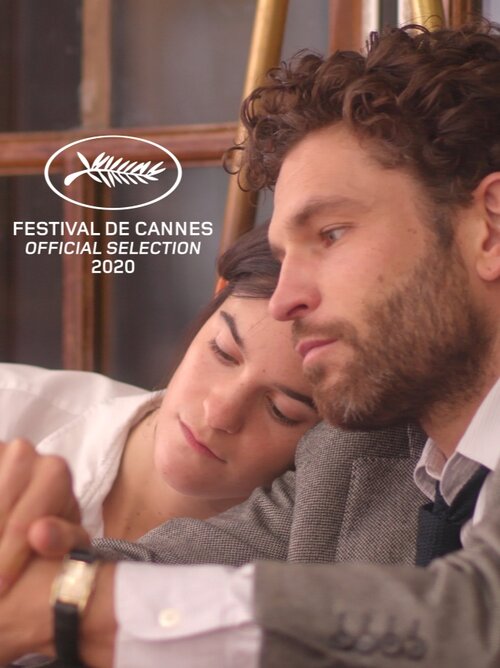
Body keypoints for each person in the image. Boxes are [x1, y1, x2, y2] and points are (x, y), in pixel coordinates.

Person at [1, 20, 500, 668]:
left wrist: (75, 608)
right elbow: (155, 574)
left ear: (490, 229)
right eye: (283, 257)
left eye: (331, 233)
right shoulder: (357, 457)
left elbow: (475, 618)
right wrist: (38, 578)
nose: (285, 300)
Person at [0, 223, 318, 549]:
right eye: (223, 353)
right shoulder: (11, 409)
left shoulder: (302, 557)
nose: (219, 414)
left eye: (280, 411)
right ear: (216, 297)